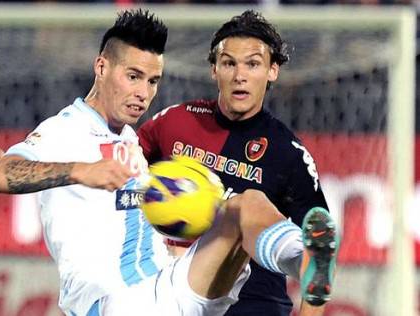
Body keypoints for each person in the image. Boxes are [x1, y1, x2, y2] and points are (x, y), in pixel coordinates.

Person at [0, 9, 338, 316]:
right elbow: (0, 176)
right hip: (113, 304)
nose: (143, 94)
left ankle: (306, 260)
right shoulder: (66, 129)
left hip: (164, 288)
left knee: (247, 204)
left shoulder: (129, 138)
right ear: (101, 67)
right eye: (133, 77)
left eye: (152, 81)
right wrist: (80, 170)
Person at [137, 10, 332, 316]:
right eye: (229, 63)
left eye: (253, 64)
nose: (240, 75)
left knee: (252, 209)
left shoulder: (288, 153)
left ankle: (289, 254)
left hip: (254, 306)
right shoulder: (174, 122)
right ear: (214, 69)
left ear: (272, 71)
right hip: (176, 294)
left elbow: (321, 256)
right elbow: (124, 173)